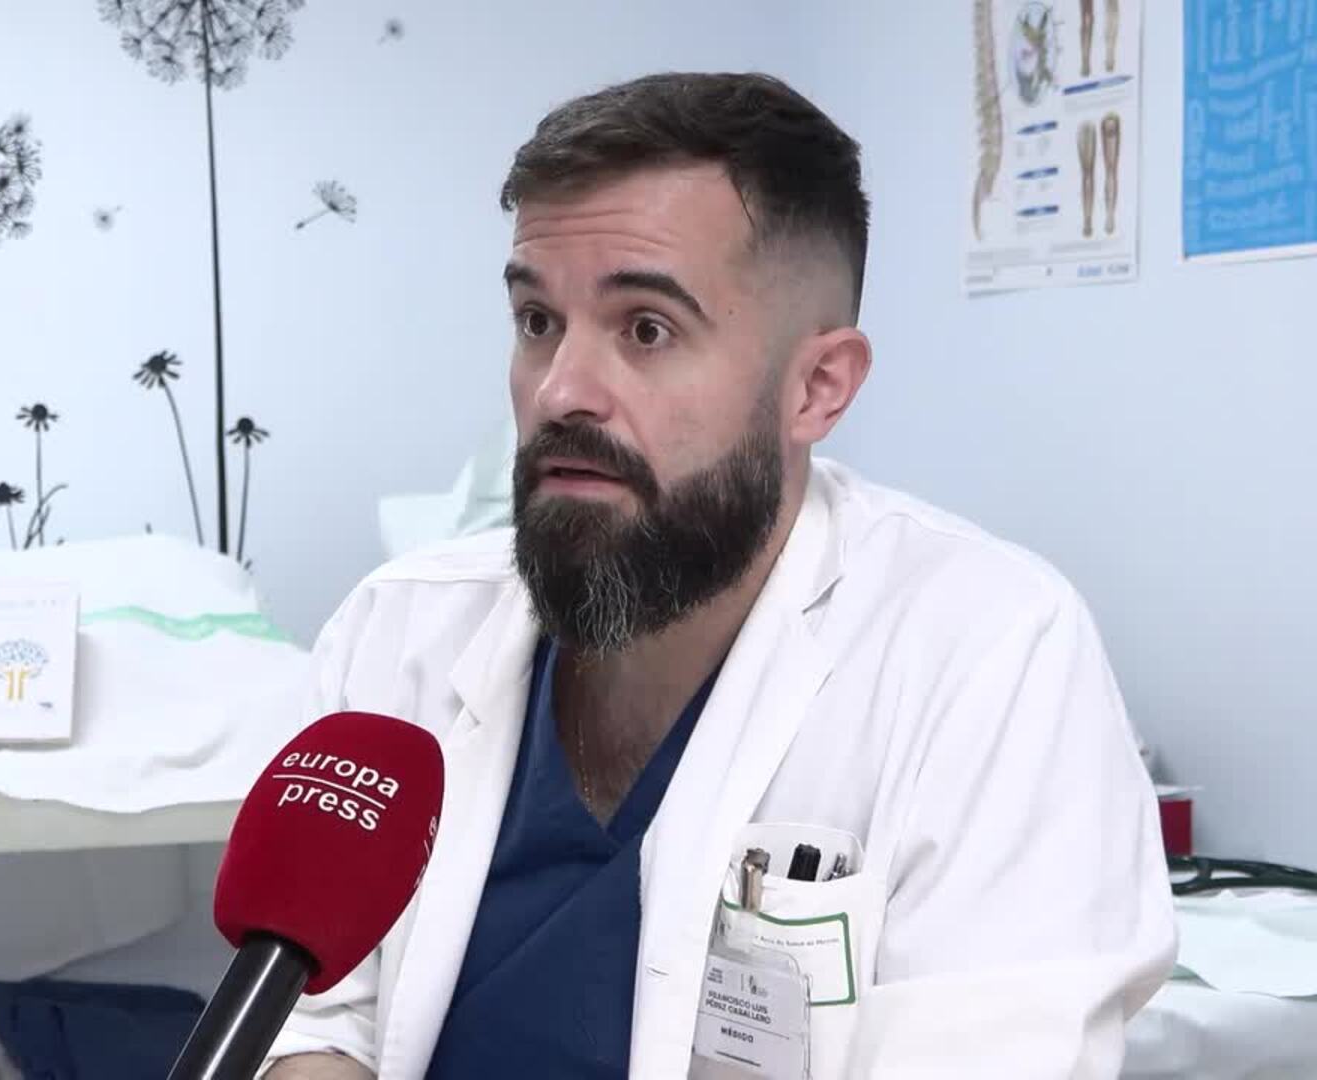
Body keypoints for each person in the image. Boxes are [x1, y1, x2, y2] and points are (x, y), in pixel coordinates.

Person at [261, 73, 1176, 1078]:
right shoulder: (397, 632)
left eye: (646, 329)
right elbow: (310, 1018)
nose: (560, 391)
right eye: (537, 321)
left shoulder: (987, 655)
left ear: (817, 387)